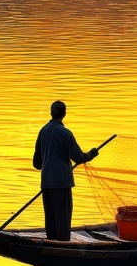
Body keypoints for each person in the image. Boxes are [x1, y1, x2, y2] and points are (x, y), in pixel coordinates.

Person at [33, 101, 99, 241]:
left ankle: (51, 244)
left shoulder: (43, 131)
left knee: (50, 217)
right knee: (62, 218)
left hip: (46, 182)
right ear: (64, 113)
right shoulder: (65, 134)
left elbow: (36, 163)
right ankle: (62, 245)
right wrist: (91, 154)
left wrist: (48, 165)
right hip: (61, 183)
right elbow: (79, 158)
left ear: (51, 113)